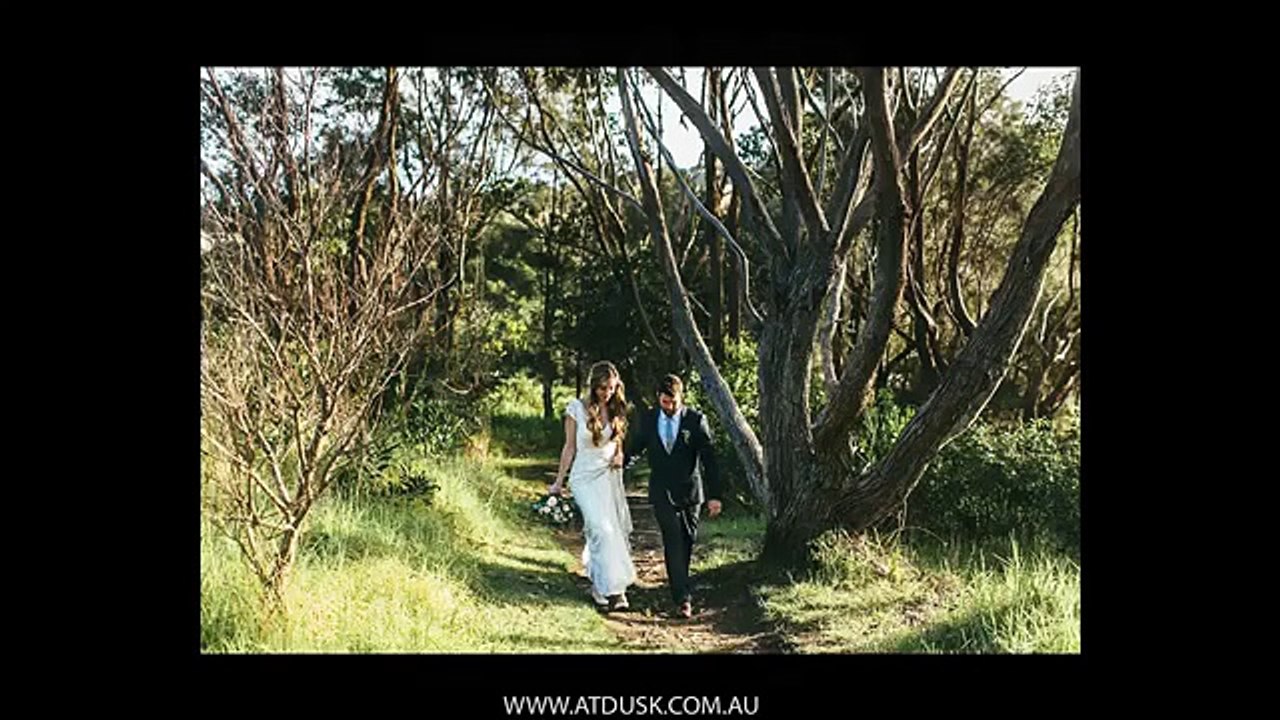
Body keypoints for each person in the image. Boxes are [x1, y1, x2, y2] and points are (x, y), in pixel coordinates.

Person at [624, 374, 721, 619]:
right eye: (664, 402)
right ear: (658, 398)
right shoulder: (649, 419)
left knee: (686, 541)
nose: (668, 407)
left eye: (673, 402)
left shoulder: (695, 421)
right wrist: (619, 462)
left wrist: (715, 496)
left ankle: (680, 584)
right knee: (672, 538)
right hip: (661, 490)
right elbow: (635, 447)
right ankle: (682, 598)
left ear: (681, 397)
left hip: (690, 492)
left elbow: (709, 459)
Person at [548, 361, 637, 611]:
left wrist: (619, 455)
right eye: (602, 388)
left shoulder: (617, 408)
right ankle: (605, 585)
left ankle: (611, 588)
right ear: (594, 386)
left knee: (611, 531)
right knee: (600, 528)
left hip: (608, 476)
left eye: (611, 388)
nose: (607, 393)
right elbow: (569, 447)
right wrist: (558, 481)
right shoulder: (576, 409)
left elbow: (618, 442)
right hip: (583, 477)